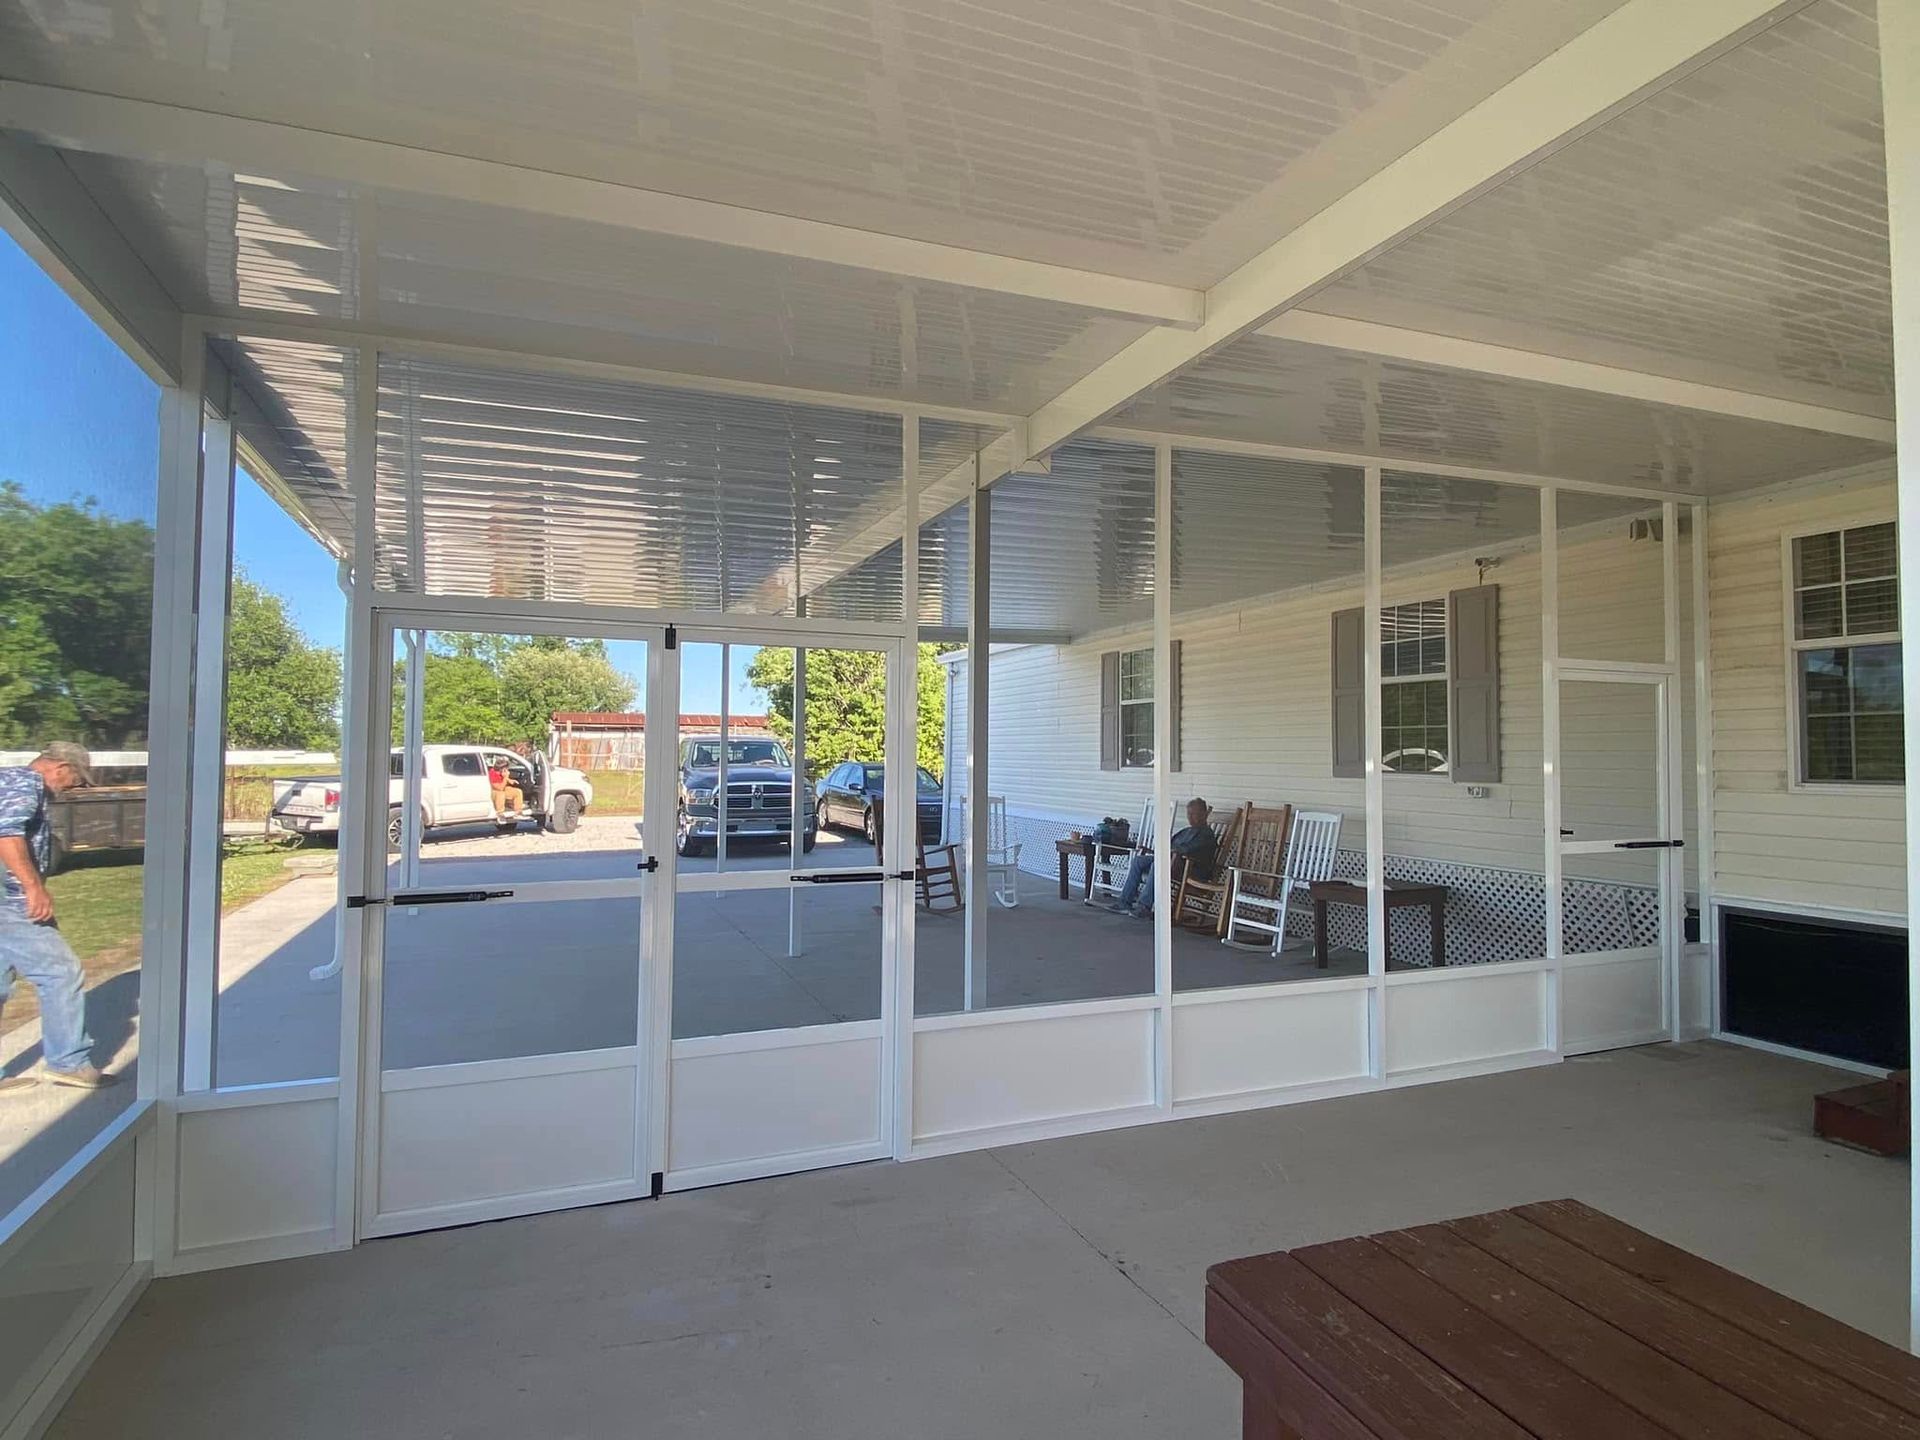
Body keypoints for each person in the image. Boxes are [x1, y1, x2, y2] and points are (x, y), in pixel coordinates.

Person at [0, 743, 112, 1089]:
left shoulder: (8, 781)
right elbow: (6, 835)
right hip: (10, 902)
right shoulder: (26, 783)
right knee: (61, 972)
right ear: (61, 767)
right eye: (76, 780)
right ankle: (68, 1062)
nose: (71, 789)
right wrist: (34, 888)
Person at [1107, 797, 1218, 920]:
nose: (1190, 817)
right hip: (1172, 863)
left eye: (1194, 814)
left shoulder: (1206, 835)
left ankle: (1144, 907)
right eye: (1189, 814)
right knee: (1138, 860)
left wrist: (1171, 851)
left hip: (1191, 871)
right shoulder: (1187, 831)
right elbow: (1169, 843)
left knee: (1158, 864)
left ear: (1203, 814)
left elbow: (1187, 850)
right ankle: (1124, 902)